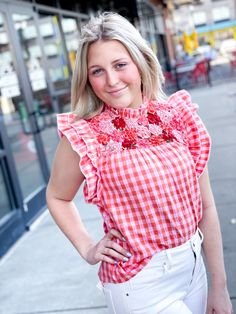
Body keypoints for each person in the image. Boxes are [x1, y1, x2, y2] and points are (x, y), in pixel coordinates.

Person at [46, 12, 233, 314]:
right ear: (87, 78)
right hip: (139, 282)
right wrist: (87, 248)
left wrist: (220, 287)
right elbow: (57, 196)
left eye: (120, 65)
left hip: (194, 268)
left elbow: (206, 207)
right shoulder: (86, 134)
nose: (111, 80)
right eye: (97, 71)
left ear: (140, 61)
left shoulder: (178, 116)